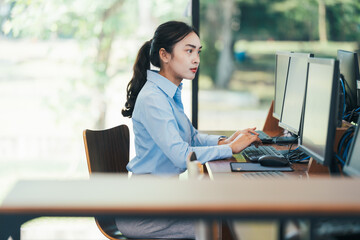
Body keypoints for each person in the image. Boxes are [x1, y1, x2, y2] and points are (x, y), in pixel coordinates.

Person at [117, 21, 261, 239]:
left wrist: (223, 142)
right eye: (189, 51)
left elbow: (191, 136)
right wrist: (230, 149)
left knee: (231, 212)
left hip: (161, 201)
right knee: (230, 224)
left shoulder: (167, 93)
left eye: (198, 52)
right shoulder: (153, 99)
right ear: (165, 55)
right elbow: (180, 156)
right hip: (144, 213)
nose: (196, 59)